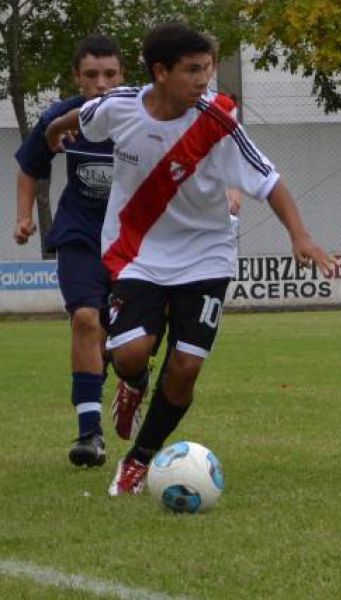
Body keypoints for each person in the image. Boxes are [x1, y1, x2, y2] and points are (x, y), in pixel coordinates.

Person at [46, 22, 335, 496]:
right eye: (194, 70)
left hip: (206, 256)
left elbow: (270, 180)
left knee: (185, 367)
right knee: (129, 353)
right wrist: (57, 131)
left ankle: (139, 460)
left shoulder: (218, 122)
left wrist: (299, 236)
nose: (205, 79)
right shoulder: (121, 107)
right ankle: (132, 382)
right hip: (137, 251)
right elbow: (79, 117)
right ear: (160, 72)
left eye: (209, 69)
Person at [13, 34, 125, 467]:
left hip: (136, 241)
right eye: (92, 75)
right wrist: (24, 216)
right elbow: (29, 167)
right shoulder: (60, 118)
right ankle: (89, 434)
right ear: (77, 78)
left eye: (110, 75)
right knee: (83, 319)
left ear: (123, 76)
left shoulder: (141, 116)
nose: (101, 83)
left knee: (129, 342)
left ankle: (119, 361)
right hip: (80, 235)